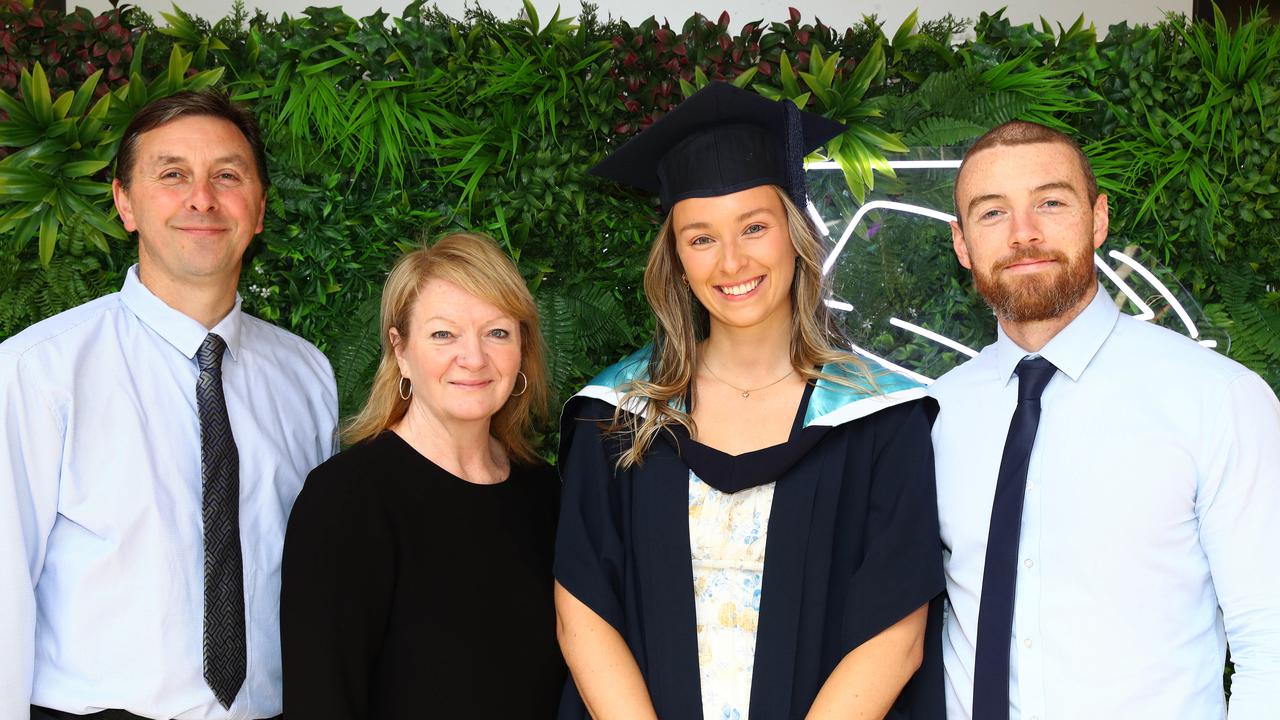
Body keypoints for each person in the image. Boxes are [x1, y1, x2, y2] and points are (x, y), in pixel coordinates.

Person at [554, 82, 945, 720]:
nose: (731, 261)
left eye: (755, 227)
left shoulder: (880, 417)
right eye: (701, 237)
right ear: (676, 258)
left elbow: (896, 635)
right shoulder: (617, 415)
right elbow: (584, 611)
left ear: (795, 235)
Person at [0, 90, 338, 720]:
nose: (202, 199)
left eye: (227, 176)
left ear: (260, 208)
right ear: (124, 202)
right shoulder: (38, 372)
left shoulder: (307, 377)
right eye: (172, 174)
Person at [930, 120, 1280, 719]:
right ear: (962, 244)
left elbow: (1270, 642)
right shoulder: (936, 416)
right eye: (992, 213)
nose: (1024, 234)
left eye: (1050, 202)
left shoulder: (1216, 399)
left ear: (1098, 218)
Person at [280, 232, 566, 718]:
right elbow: (321, 702)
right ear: (400, 350)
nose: (473, 358)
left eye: (497, 332)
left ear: (523, 347)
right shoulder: (347, 500)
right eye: (443, 334)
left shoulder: (545, 493)